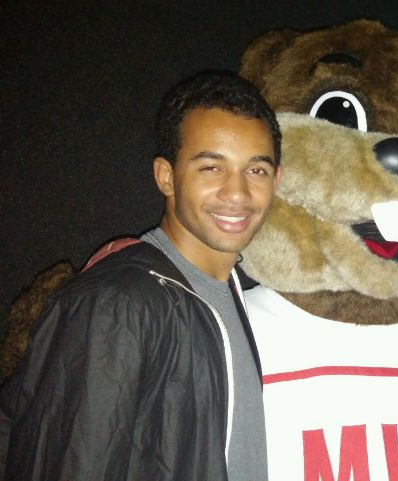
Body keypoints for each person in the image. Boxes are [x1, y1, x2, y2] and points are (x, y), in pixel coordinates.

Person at [0, 71, 283, 481]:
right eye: (211, 168)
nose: (237, 193)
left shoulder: (230, 291)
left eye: (255, 171)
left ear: (276, 180)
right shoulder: (118, 303)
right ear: (166, 176)